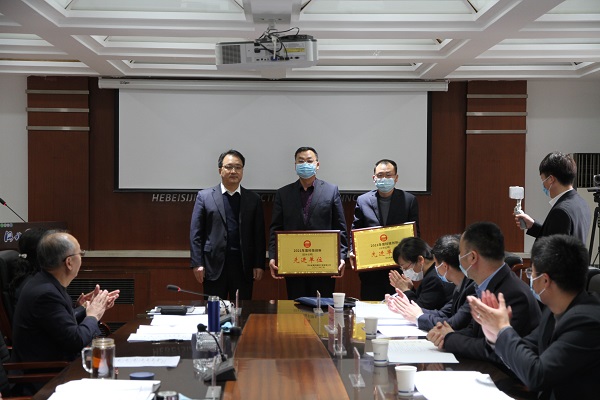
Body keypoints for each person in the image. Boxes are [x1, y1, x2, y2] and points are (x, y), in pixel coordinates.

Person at [468, 234, 600, 399]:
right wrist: (495, 335)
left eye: (531, 273)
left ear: (545, 280)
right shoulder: (553, 310)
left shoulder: (587, 322)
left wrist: (503, 329)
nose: (530, 278)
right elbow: (526, 349)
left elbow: (538, 376)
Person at [427, 222, 541, 363]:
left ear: (472, 257)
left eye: (460, 253)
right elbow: (474, 331)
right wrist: (444, 334)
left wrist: (449, 338)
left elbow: (494, 349)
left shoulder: (512, 293)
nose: (458, 258)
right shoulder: (485, 285)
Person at [11, 232, 118, 363]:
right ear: (69, 262)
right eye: (81, 253)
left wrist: (86, 308)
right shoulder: (46, 294)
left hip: (58, 364)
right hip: (46, 372)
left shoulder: (44, 282)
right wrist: (93, 315)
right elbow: (76, 341)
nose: (82, 257)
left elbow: (60, 325)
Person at [269, 146, 348, 299]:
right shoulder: (283, 193)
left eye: (309, 161)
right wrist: (273, 256)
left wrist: (342, 257)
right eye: (301, 161)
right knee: (296, 306)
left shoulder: (331, 190)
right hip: (293, 263)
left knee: (322, 306)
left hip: (323, 264)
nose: (305, 164)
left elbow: (340, 227)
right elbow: (276, 228)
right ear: (295, 166)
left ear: (317, 165)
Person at [190, 150, 266, 300]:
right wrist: (197, 263)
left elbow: (259, 235)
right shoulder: (204, 197)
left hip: (243, 267)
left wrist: (259, 264)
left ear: (242, 171)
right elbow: (196, 234)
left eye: (238, 167)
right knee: (214, 310)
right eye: (229, 167)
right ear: (220, 170)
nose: (234, 171)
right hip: (213, 266)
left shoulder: (253, 199)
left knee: (242, 309)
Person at [350, 159, 420, 300]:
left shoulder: (409, 200)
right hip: (371, 270)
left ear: (396, 178)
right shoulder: (363, 200)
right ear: (374, 178)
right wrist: (353, 251)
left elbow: (415, 234)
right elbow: (356, 229)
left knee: (398, 307)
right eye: (380, 175)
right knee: (371, 306)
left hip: (398, 269)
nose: (384, 179)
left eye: (388, 175)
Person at [388, 234, 476, 331]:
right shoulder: (460, 285)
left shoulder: (473, 287)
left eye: (436, 263)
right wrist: (408, 309)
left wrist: (418, 317)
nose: (435, 267)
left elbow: (454, 324)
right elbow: (443, 313)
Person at [515, 151, 591, 244]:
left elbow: (555, 249)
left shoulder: (560, 211)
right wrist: (533, 225)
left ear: (551, 179)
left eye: (543, 180)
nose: (543, 185)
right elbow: (560, 235)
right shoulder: (581, 203)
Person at [387, 237, 454, 310]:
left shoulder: (434, 278)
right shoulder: (432, 272)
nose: (405, 272)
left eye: (405, 268)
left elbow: (418, 311)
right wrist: (410, 289)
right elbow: (423, 299)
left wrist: (405, 290)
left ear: (420, 259)